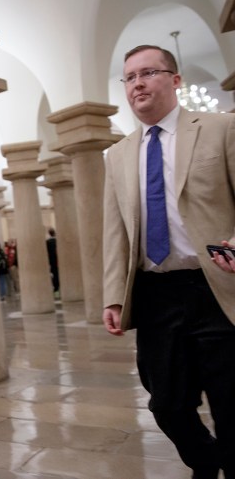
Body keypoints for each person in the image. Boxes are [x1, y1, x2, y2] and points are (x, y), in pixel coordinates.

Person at [103, 44, 235, 479]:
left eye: (148, 73)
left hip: (217, 288)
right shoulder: (118, 155)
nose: (137, 84)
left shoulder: (221, 129)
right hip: (157, 294)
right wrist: (114, 295)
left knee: (230, 400)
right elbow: (115, 232)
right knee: (166, 404)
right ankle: (206, 459)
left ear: (175, 80)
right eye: (130, 78)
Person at [46, 228, 59, 295]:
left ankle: (56, 289)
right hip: (58, 261)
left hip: (52, 262)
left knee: (54, 275)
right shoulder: (58, 241)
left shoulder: (48, 242)